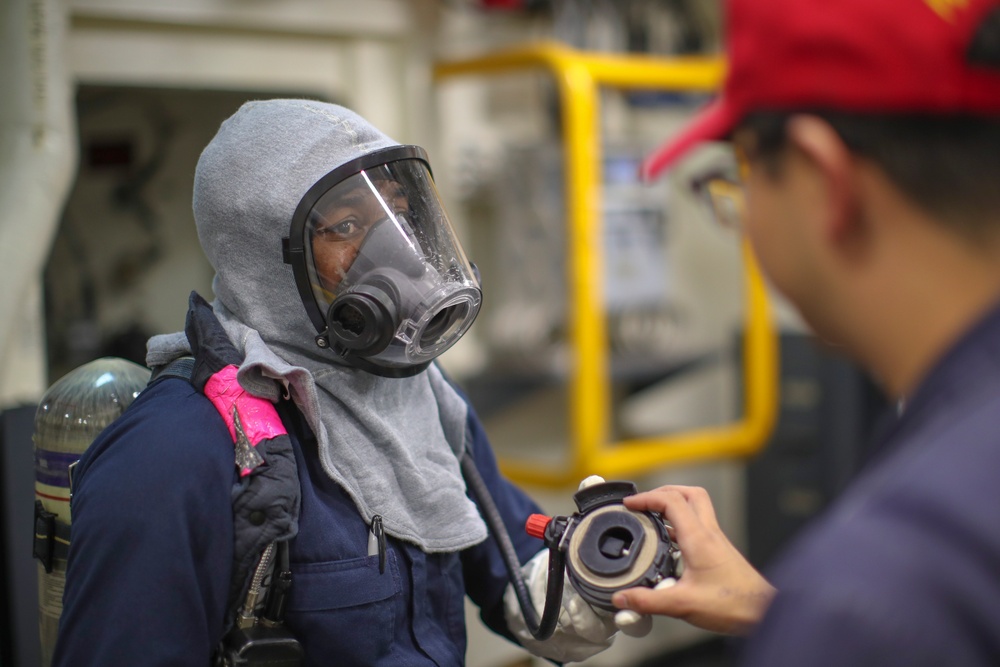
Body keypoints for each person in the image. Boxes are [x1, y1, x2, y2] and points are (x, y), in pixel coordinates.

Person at [52, 99, 620, 666]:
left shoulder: (418, 390)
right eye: (348, 226)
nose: (402, 256)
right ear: (266, 259)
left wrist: (611, 570)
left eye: (401, 215)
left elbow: (514, 570)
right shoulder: (171, 452)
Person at [610, 0, 1000, 664]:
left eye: (740, 173)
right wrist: (773, 607)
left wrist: (824, 621)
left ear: (825, 182)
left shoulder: (878, 592)